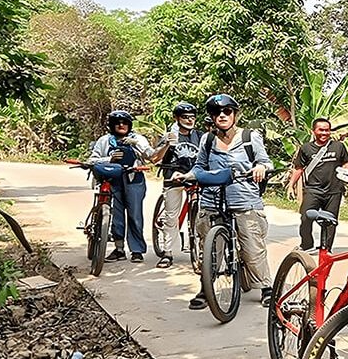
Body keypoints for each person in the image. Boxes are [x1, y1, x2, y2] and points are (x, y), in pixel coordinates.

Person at [173, 94, 275, 309]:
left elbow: (266, 162)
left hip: (244, 199)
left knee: (252, 246)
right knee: (209, 248)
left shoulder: (250, 137)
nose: (222, 115)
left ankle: (266, 287)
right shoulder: (207, 139)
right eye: (217, 112)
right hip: (212, 199)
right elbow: (200, 166)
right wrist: (187, 176)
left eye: (227, 111)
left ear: (234, 114)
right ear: (211, 117)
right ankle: (206, 288)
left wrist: (260, 168)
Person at [88, 109, 154, 263]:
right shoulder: (104, 140)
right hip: (113, 179)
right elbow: (93, 159)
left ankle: (137, 250)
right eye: (117, 123)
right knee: (116, 216)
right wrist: (109, 159)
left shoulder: (138, 138)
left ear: (130, 125)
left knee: (135, 215)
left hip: (134, 179)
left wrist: (137, 144)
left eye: (124, 122)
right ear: (111, 125)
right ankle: (119, 249)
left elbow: (151, 155)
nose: (121, 125)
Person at [147, 102, 205, 268]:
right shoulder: (169, 136)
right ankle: (168, 253)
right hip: (173, 178)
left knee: (202, 214)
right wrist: (167, 145)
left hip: (193, 176)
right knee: (171, 216)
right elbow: (154, 158)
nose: (189, 120)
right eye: (185, 117)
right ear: (176, 118)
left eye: (192, 117)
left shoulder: (200, 136)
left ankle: (201, 251)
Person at [287, 118, 348, 251]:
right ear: (313, 131)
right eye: (321, 130)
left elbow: (345, 164)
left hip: (334, 191)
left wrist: (347, 176)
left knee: (331, 222)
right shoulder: (306, 148)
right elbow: (298, 168)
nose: (324, 133)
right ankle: (307, 244)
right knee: (305, 218)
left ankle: (326, 249)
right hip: (313, 190)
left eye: (327, 130)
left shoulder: (338, 146)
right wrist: (291, 185)